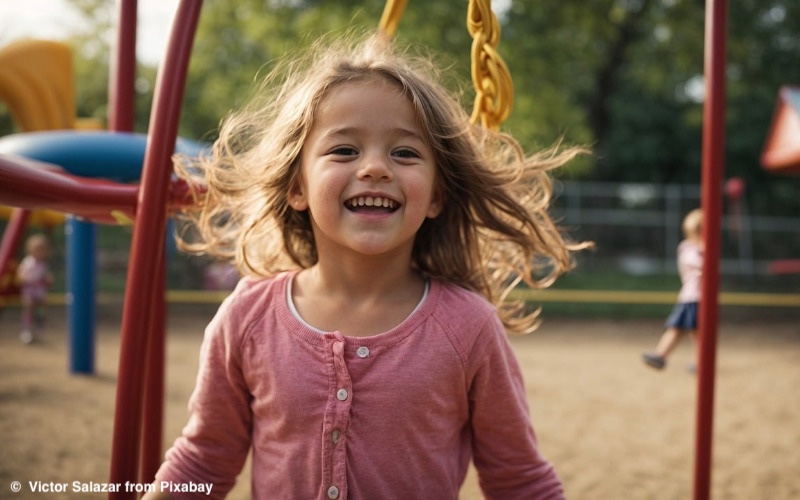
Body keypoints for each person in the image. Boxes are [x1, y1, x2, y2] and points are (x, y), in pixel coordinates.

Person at [145, 33, 589, 500]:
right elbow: (203, 461)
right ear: (297, 187)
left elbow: (518, 480)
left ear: (436, 195)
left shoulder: (468, 328)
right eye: (344, 150)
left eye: (405, 153)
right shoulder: (249, 318)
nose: (375, 168)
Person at [642, 208, 704, 371]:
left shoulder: (704, 249)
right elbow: (697, 263)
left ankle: (699, 362)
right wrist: (704, 249)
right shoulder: (688, 248)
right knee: (678, 328)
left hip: (700, 298)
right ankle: (661, 355)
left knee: (696, 332)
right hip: (691, 296)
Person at [16, 233, 53, 344]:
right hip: (29, 289)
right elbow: (21, 272)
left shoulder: (44, 264)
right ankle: (27, 329)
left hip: (39, 290)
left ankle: (40, 323)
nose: (40, 252)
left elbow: (46, 276)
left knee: (44, 304)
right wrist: (22, 277)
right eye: (37, 249)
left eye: (42, 250)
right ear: (30, 250)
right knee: (29, 305)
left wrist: (48, 280)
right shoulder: (28, 261)